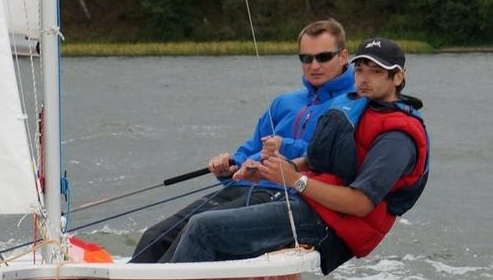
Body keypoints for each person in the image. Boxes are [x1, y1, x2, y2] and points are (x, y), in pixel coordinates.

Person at [169, 37, 429, 274]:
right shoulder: (359, 107)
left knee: (203, 229)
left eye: (375, 72)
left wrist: (295, 180)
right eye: (360, 69)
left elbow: (361, 204)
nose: (363, 78)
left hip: (333, 225)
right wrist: (270, 168)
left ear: (398, 78)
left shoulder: (397, 139)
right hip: (311, 206)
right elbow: (317, 159)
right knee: (179, 229)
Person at [130, 19, 356, 263]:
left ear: (343, 56)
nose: (313, 65)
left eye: (323, 57)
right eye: (306, 58)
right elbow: (252, 147)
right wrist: (233, 164)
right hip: (245, 187)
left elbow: (329, 156)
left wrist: (284, 145)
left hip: (287, 197)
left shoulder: (350, 104)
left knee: (199, 229)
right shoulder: (285, 102)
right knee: (154, 236)